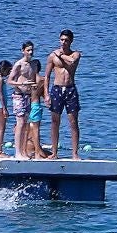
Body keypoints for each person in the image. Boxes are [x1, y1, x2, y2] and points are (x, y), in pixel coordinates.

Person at [46, 29, 82, 159]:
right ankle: (54, 152)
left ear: (71, 41)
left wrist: (60, 55)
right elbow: (47, 76)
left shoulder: (75, 54)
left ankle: (75, 153)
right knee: (55, 122)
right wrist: (46, 94)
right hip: (56, 89)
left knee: (73, 122)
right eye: (61, 40)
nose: (63, 42)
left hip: (70, 89)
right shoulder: (52, 56)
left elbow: (72, 62)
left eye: (66, 40)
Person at [8, 42, 37, 160]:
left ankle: (23, 151)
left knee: (26, 124)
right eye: (28, 50)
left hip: (28, 96)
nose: (30, 52)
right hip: (18, 95)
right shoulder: (19, 64)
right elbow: (9, 81)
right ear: (23, 51)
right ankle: (17, 152)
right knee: (19, 123)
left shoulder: (33, 65)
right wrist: (22, 83)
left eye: (32, 50)